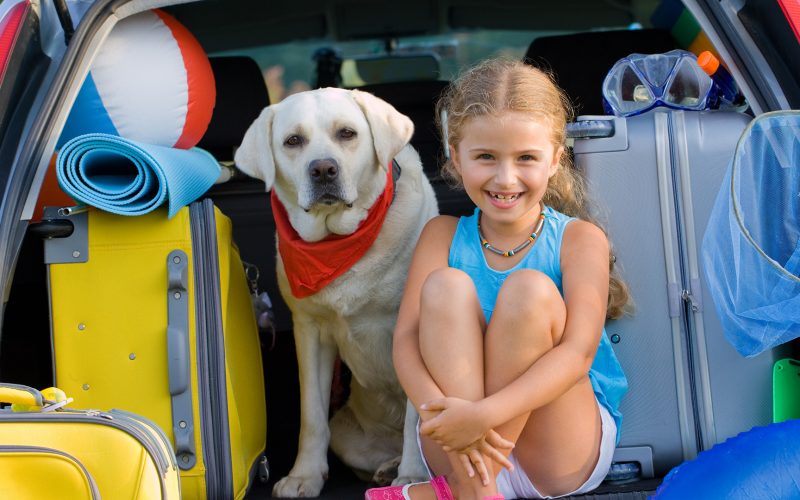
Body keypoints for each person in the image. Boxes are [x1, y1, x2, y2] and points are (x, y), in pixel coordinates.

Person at [365, 58, 630, 500]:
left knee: (529, 292)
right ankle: (480, 492)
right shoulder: (441, 235)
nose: (505, 178)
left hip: (559, 450)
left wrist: (481, 417)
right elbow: (406, 343)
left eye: (526, 158)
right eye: (485, 157)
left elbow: (578, 355)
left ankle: (458, 492)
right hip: (455, 444)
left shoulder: (580, 240)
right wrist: (448, 419)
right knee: (444, 288)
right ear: (456, 157)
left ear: (554, 160)